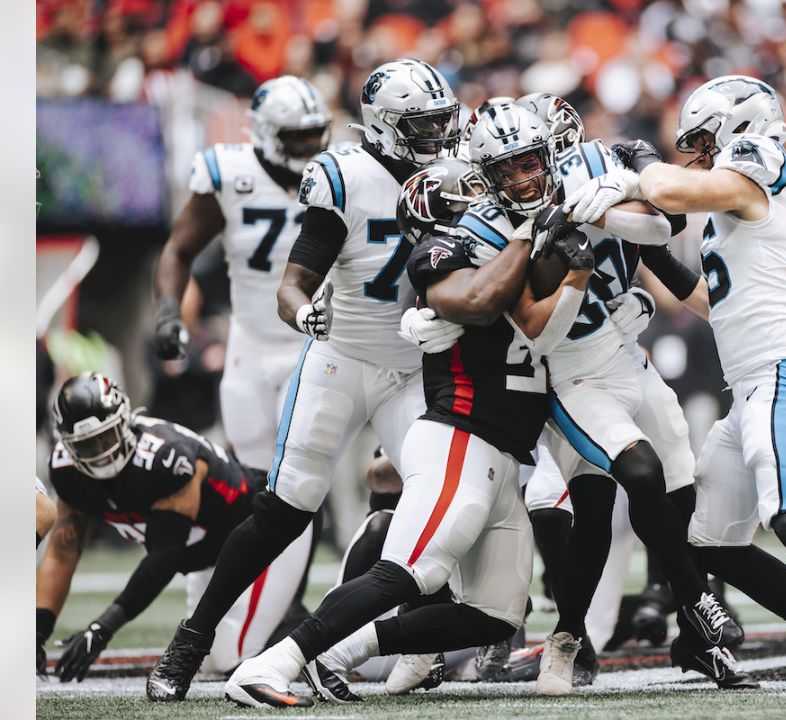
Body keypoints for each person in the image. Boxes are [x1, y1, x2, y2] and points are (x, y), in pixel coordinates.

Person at [221, 104, 594, 708]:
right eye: (466, 197)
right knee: (408, 573)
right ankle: (272, 663)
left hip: (504, 448)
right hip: (462, 438)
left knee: (496, 613)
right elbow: (476, 299)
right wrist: (529, 233)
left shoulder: (508, 248)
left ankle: (338, 654)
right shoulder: (441, 257)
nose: (480, 202)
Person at [565, 74, 786, 687]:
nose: (693, 152)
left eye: (699, 138)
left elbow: (669, 184)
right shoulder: (742, 209)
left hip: (785, 370)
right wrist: (639, 246)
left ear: (736, 125)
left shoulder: (762, 157)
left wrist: (637, 163)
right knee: (708, 541)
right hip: (752, 383)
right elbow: (710, 302)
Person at [147, 58, 463, 702]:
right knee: (282, 510)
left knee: (446, 508)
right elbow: (294, 282)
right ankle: (193, 637)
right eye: (420, 124)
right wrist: (306, 310)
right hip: (340, 357)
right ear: (384, 125)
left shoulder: (459, 175)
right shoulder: (344, 175)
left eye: (440, 122)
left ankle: (412, 645)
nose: (436, 135)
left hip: (412, 370)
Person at [452, 102, 744, 693]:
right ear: (486, 177)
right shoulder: (487, 229)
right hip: (569, 377)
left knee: (679, 487)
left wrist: (620, 197)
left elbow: (664, 232)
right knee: (631, 477)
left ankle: (633, 623)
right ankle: (691, 601)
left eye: (532, 162)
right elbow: (534, 329)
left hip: (627, 359)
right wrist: (576, 278)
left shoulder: (590, 167)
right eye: (508, 170)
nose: (526, 179)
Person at [35, 374, 314, 682]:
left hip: (268, 536)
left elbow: (164, 556)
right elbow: (63, 552)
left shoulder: (166, 457)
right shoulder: (67, 471)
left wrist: (102, 628)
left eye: (106, 437)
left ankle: (317, 638)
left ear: (125, 420)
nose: (101, 452)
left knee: (232, 658)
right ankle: (281, 614)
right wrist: (37, 632)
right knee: (210, 663)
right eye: (87, 445)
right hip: (215, 558)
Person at [153, 74, 333, 473]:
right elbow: (178, 250)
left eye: (316, 134)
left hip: (316, 342)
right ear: (266, 133)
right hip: (249, 340)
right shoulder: (230, 173)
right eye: (297, 136)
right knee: (253, 472)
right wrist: (168, 313)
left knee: (298, 470)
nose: (310, 147)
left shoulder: (341, 171)